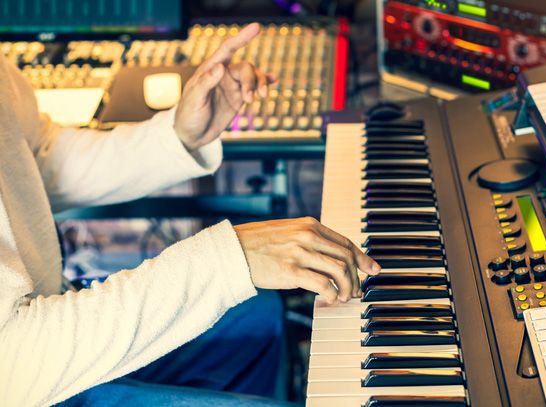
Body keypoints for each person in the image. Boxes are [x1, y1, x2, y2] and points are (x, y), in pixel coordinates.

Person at [0, 23, 380, 406]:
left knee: (260, 317)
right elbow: (13, 361)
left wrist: (176, 136)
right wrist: (228, 259)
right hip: (26, 373)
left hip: (40, 331)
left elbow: (37, 158)